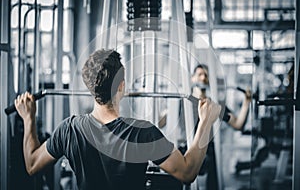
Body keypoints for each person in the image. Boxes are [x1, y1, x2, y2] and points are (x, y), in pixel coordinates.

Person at [15, 49, 221, 190]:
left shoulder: (69, 130)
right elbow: (187, 172)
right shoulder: (142, 133)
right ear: (121, 86)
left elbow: (32, 165)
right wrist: (205, 122)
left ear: (90, 87)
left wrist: (28, 118)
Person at [191, 64, 252, 190]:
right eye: (200, 75)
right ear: (192, 78)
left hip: (208, 152)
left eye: (206, 75)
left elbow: (238, 124)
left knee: (213, 158)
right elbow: (162, 121)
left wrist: (246, 102)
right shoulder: (182, 102)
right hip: (187, 149)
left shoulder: (214, 105)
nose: (203, 78)